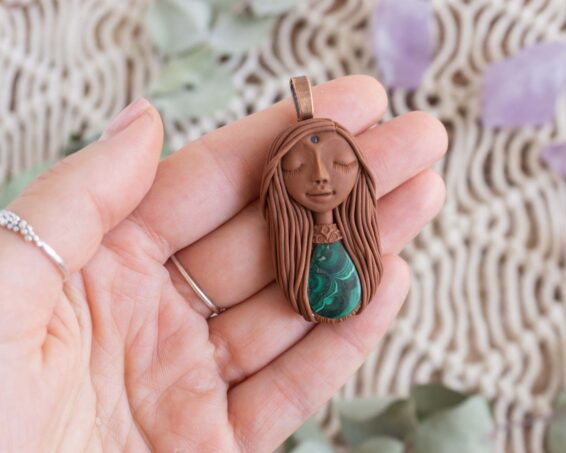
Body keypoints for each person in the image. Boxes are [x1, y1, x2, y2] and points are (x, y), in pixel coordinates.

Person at [0, 75, 447, 452]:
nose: (321, 176)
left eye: (339, 163)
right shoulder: (291, 249)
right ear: (279, 179)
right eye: (298, 166)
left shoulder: (352, 255)